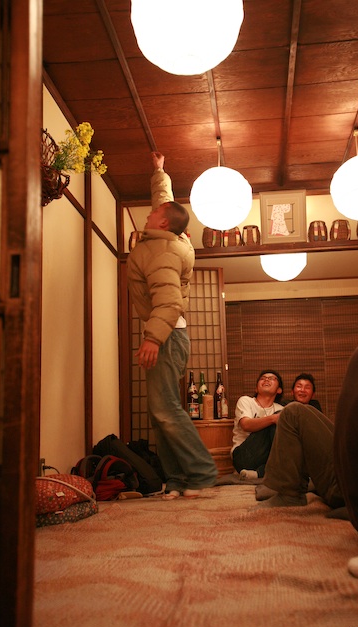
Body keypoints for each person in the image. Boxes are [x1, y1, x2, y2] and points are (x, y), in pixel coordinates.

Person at [257, 262, 358, 591]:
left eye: (306, 387)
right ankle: (285, 488)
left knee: (292, 414)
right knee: (294, 413)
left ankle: (285, 485)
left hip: (356, 496)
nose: (301, 390)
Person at [127, 151, 217, 500]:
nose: (149, 214)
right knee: (159, 411)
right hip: (168, 333)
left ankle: (201, 471)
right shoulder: (166, 237)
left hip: (165, 335)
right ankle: (177, 478)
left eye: (154, 214)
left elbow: (168, 300)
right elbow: (164, 203)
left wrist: (152, 338)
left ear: (162, 223)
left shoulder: (162, 252)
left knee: (165, 409)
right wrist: (159, 171)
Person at [231, 370, 285, 481]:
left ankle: (259, 473)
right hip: (243, 456)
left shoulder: (281, 409)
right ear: (256, 388)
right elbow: (246, 425)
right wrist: (273, 419)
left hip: (266, 459)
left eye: (271, 378)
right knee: (276, 420)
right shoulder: (246, 401)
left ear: (279, 390)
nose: (266, 379)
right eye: (262, 378)